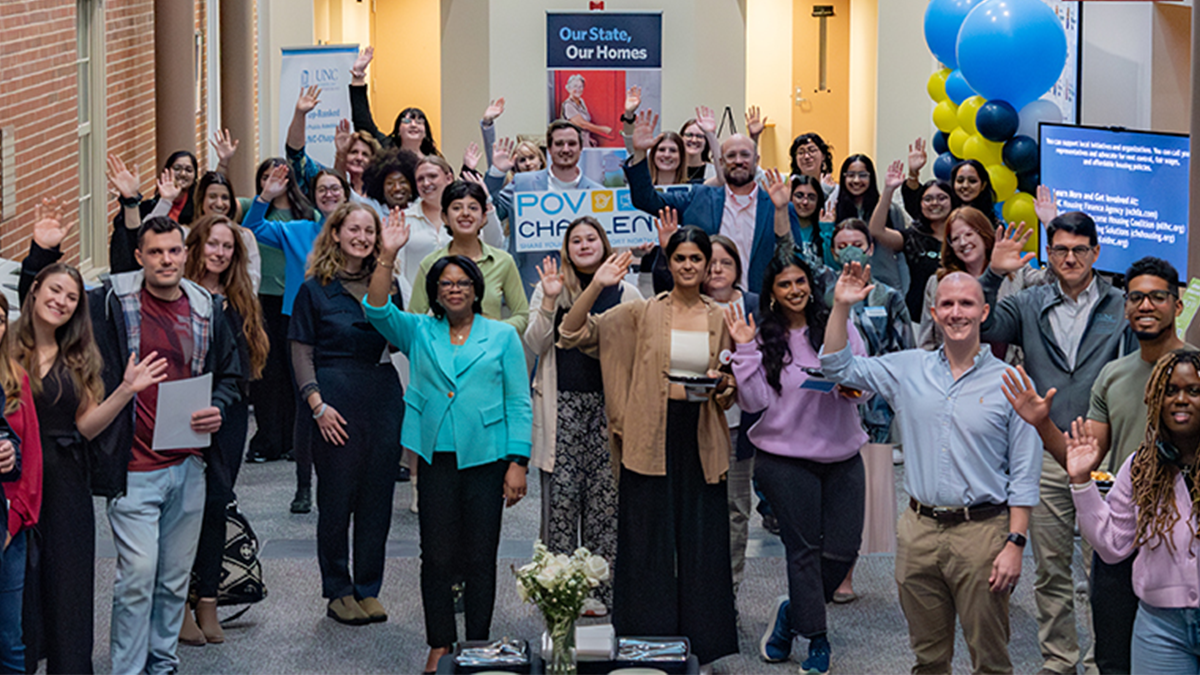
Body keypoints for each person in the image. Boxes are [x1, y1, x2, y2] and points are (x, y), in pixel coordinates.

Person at [20, 209, 238, 675]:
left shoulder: (206, 307)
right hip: (133, 465)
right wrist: (42, 253)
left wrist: (218, 403)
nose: (166, 260)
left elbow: (230, 375)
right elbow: (41, 311)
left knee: (173, 578)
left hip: (190, 463)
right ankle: (126, 669)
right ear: (139, 257)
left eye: (174, 251)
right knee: (138, 575)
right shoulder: (109, 304)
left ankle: (162, 663)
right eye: (154, 252)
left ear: (186, 254)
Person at [821, 264, 1040, 674]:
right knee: (927, 658)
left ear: (984, 312)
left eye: (966, 304)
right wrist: (840, 308)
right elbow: (838, 368)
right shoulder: (907, 368)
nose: (957, 312)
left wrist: (1015, 543)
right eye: (948, 304)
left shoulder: (1011, 382)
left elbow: (1025, 475)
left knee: (990, 658)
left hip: (984, 533)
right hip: (919, 531)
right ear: (934, 314)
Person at [558, 224, 744, 668]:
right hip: (650, 435)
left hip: (701, 435)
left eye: (696, 259)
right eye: (679, 258)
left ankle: (703, 643)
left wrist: (724, 385)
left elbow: (731, 383)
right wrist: (599, 285)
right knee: (646, 541)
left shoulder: (721, 317)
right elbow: (571, 331)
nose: (687, 266)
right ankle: (645, 639)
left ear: (707, 266)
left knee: (703, 542)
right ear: (669, 262)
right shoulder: (640, 312)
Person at [1002, 256, 1187, 674]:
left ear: (1177, 306)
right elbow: (1081, 461)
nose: (1145, 306)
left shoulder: (1196, 371)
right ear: (1125, 308)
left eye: (1157, 297)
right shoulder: (1112, 376)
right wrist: (1042, 423)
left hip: (1183, 540)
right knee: (1113, 660)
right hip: (1125, 534)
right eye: (1136, 298)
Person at [364, 221, 531, 672]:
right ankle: (440, 641)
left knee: (481, 555)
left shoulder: (501, 336)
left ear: (475, 290)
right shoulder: (420, 330)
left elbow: (518, 401)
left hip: (488, 456)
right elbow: (377, 311)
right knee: (436, 554)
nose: (454, 290)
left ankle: (477, 644)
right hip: (435, 455)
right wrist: (386, 255)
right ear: (435, 292)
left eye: (461, 283)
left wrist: (518, 462)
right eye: (445, 284)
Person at [980, 211, 1137, 674]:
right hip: (1047, 452)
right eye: (1061, 249)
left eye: (1080, 249)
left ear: (1096, 253)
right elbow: (984, 327)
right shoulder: (1029, 302)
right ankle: (1059, 659)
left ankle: (1098, 660)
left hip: (1103, 457)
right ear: (1049, 254)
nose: (1070, 258)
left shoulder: (1119, 304)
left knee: (1104, 569)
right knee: (1050, 567)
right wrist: (992, 274)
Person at [727, 247, 866, 675]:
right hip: (784, 459)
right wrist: (745, 350)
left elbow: (866, 376)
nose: (794, 290)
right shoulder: (765, 336)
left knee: (843, 551)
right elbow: (752, 401)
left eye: (800, 281)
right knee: (803, 553)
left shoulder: (836, 325)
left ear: (812, 284)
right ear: (772, 292)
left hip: (842, 454)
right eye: (784, 284)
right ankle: (816, 641)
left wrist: (854, 388)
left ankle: (791, 613)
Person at [288, 202, 405, 627]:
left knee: (378, 497)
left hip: (382, 393)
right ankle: (337, 588)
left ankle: (367, 587)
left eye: (369, 231)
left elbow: (397, 341)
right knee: (337, 498)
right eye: (353, 229)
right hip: (333, 398)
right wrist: (316, 404)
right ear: (335, 233)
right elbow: (300, 349)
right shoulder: (315, 288)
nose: (361, 237)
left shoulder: (386, 284)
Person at [525, 216, 642, 618]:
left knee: (605, 506)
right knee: (560, 504)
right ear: (567, 249)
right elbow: (536, 343)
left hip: (608, 411)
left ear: (604, 244)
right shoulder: (552, 287)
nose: (585, 245)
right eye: (576, 240)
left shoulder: (627, 292)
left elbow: (639, 349)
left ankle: (598, 595)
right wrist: (547, 301)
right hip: (563, 409)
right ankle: (559, 591)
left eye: (592, 238)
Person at [1067, 348, 1200, 673]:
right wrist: (1082, 482)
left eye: (1193, 390)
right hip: (1161, 627)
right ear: (1156, 399)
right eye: (1170, 391)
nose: (1180, 399)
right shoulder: (1140, 468)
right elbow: (1113, 547)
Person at [179, 214, 269, 645]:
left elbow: (245, 365)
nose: (219, 252)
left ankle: (208, 601)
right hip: (181, 410)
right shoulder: (175, 294)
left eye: (227, 247)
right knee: (181, 508)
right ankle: (178, 603)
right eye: (212, 244)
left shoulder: (239, 298)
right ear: (197, 246)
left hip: (228, 413)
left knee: (216, 502)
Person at [824, 219, 913, 596]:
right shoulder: (821, 292)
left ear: (870, 248)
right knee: (827, 489)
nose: (850, 250)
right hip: (827, 404)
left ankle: (846, 574)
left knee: (864, 495)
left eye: (857, 243)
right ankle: (823, 568)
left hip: (874, 410)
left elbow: (902, 351)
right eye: (842, 244)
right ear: (833, 251)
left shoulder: (889, 296)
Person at [625, 110, 791, 295]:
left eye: (745, 155)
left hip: (759, 308)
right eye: (731, 156)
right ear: (721, 161)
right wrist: (639, 153)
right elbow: (645, 199)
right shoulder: (698, 197)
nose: (738, 161)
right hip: (704, 305)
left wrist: (782, 209)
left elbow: (792, 258)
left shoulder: (778, 206)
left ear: (756, 160)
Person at [242, 158, 316, 471]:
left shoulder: (309, 219)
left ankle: (298, 440)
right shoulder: (269, 216)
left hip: (304, 305)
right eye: (267, 176)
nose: (274, 179)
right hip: (267, 302)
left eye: (281, 175)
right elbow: (249, 230)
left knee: (297, 374)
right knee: (268, 372)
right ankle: (273, 437)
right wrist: (265, 197)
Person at [701, 235, 760, 597]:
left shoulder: (753, 305)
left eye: (725, 262)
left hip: (741, 425)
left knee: (736, 510)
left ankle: (730, 589)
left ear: (738, 268)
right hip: (699, 423)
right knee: (700, 508)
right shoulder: (690, 305)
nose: (717, 269)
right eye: (710, 263)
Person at [485, 120, 604, 291]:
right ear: (549, 149)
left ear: (581, 148)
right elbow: (491, 213)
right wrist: (497, 174)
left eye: (571, 144)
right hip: (531, 283)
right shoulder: (522, 183)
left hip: (584, 286)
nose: (565, 149)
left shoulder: (597, 192)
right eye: (559, 144)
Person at [918, 207, 1047, 359]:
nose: (963, 242)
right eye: (955, 238)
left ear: (984, 235)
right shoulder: (938, 283)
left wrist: (1050, 226)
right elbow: (927, 341)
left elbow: (1053, 282)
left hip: (1007, 373)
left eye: (968, 234)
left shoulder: (1017, 273)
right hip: (951, 374)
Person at [408, 181, 529, 333]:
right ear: (445, 217)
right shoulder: (431, 263)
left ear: (484, 217)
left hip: (490, 351)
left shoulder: (502, 261)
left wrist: (496, 330)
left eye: (473, 208)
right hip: (445, 351)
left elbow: (522, 315)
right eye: (457, 208)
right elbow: (413, 319)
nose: (465, 213)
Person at [0, 291, 40, 674]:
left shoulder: (15, 377)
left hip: (8, 525)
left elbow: (31, 458)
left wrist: (16, 521)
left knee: (9, 640)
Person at [869, 160, 952, 319]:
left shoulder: (961, 238)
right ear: (920, 204)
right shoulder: (912, 236)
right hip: (917, 317)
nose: (935, 203)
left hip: (956, 313)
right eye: (928, 199)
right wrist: (888, 190)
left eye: (942, 198)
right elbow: (876, 231)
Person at [106, 151, 199, 273]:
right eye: (177, 168)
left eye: (188, 170)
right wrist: (165, 201)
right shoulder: (150, 207)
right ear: (166, 171)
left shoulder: (199, 207)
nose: (182, 173)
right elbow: (139, 236)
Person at [832, 155, 908, 293]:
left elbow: (902, 252)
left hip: (887, 284)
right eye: (850, 175)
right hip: (848, 286)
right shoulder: (835, 210)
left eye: (862, 175)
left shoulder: (890, 210)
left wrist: (904, 286)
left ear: (871, 178)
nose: (856, 180)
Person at [349, 47, 441, 158]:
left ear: (426, 132)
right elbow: (364, 124)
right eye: (406, 121)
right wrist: (358, 76)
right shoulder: (386, 151)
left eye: (419, 121)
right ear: (398, 130)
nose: (413, 125)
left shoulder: (435, 161)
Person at [362, 147, 421, 221]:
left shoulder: (421, 208)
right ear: (381, 188)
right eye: (390, 183)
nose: (397, 188)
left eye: (402, 182)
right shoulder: (372, 208)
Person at [790, 175, 835, 269]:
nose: (805, 202)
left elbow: (833, 267)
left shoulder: (826, 229)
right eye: (799, 196)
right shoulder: (780, 227)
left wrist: (827, 230)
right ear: (790, 198)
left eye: (811, 197)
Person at [561, 74, 611, 147]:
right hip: (574, 145)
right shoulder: (568, 105)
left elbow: (581, 127)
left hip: (584, 142)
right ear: (568, 88)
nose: (578, 89)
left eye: (580, 86)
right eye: (575, 86)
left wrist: (589, 138)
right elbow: (583, 124)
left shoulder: (581, 102)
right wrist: (604, 130)